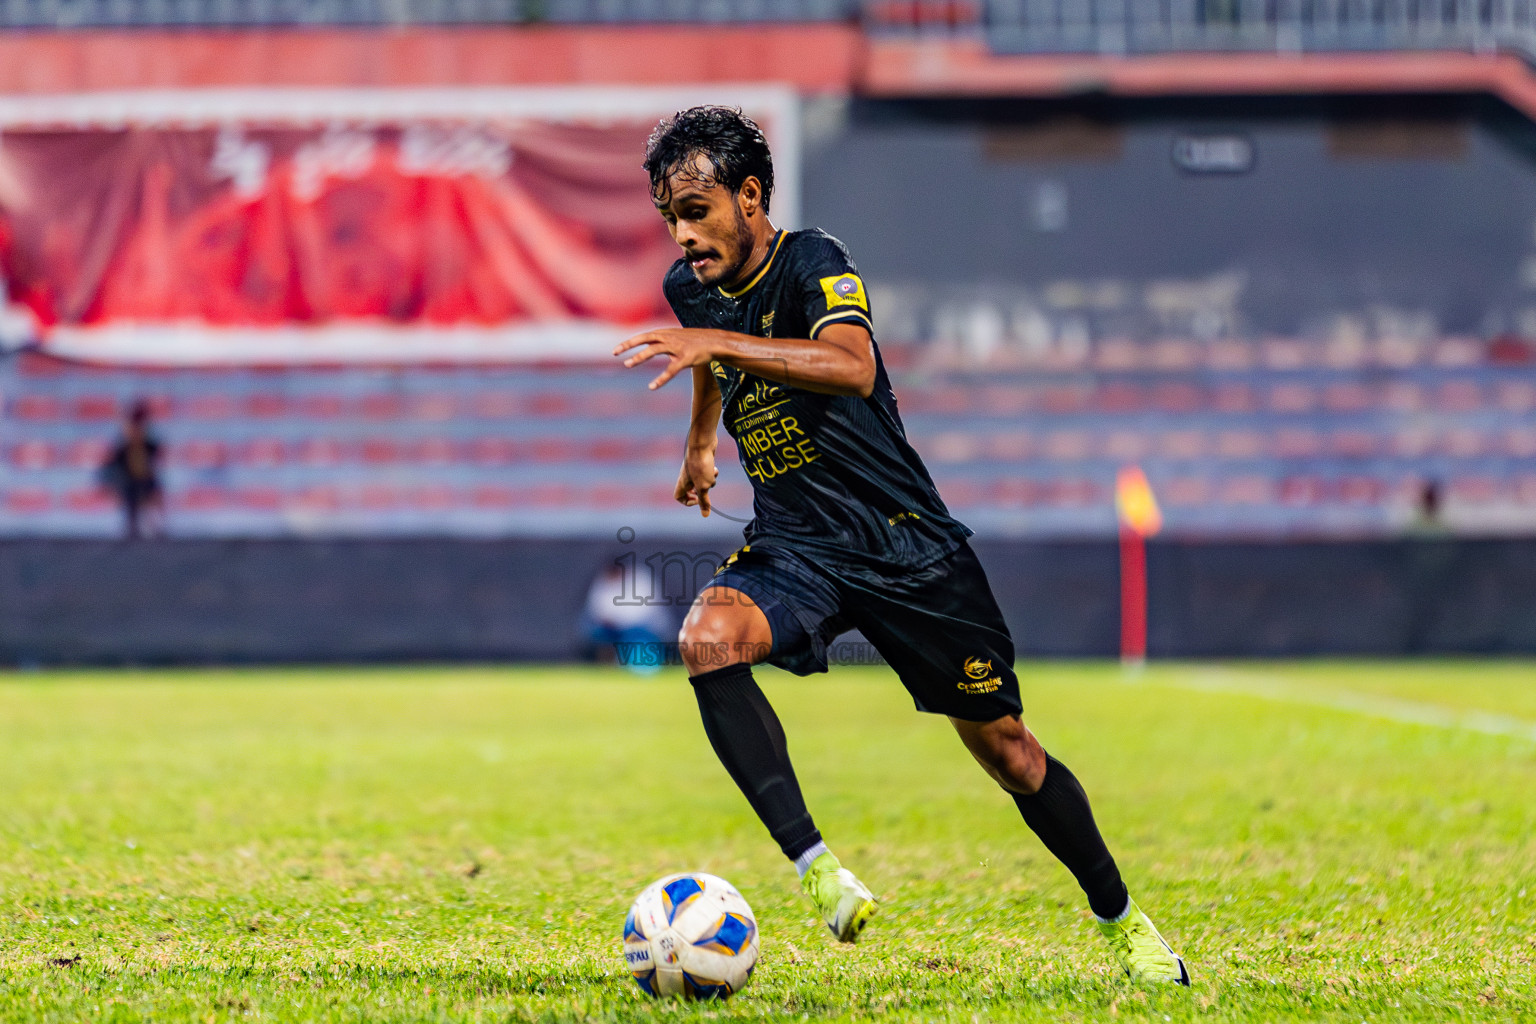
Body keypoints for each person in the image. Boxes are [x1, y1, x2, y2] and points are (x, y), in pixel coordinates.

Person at [613, 106, 1188, 985]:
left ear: (751, 195)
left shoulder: (815, 261)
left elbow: (852, 367)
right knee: (706, 639)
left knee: (1009, 751)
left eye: (697, 211)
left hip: (905, 545)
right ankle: (819, 872)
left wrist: (715, 345)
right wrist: (700, 442)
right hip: (799, 544)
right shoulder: (692, 288)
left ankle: (1124, 922)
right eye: (670, 219)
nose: (683, 236)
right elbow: (712, 359)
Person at [100, 398, 164, 539]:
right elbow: (110, 470)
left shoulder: (149, 444)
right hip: (128, 483)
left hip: (145, 480)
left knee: (154, 497)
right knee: (131, 504)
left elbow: (154, 462)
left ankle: (156, 528)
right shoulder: (122, 447)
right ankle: (132, 531)